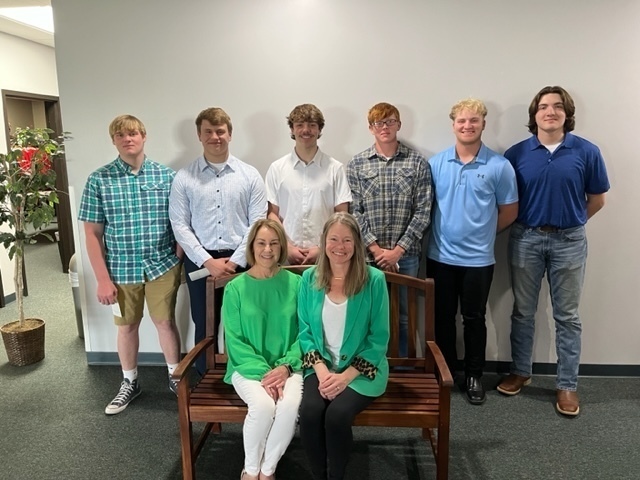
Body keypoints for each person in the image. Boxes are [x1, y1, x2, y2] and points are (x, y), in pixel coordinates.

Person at [497, 86, 609, 416]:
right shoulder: (516, 154)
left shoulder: (586, 151)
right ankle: (520, 371)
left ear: (567, 114)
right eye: (543, 106)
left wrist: (571, 222)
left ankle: (567, 385)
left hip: (569, 242)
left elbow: (597, 200)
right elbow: (507, 201)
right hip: (526, 239)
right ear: (534, 115)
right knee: (523, 311)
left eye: (558, 106)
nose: (550, 112)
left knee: (567, 317)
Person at [79, 114, 182, 414]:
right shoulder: (99, 180)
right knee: (127, 326)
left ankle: (175, 377)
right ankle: (130, 382)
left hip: (162, 265)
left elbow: (180, 220)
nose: (128, 139)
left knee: (165, 322)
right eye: (120, 135)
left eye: (133, 133)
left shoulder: (167, 176)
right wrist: (102, 279)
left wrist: (178, 255)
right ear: (114, 141)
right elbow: (92, 234)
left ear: (143, 136)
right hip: (121, 270)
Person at [427, 99, 518, 405]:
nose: (468, 126)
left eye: (474, 121)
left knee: (474, 319)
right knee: (442, 319)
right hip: (440, 257)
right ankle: (446, 373)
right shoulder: (436, 164)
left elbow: (510, 211)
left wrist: (483, 235)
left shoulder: (499, 166)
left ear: (483, 124)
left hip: (478, 260)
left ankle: (474, 375)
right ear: (453, 125)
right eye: (462, 121)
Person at [169, 107, 266, 375]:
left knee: (245, 321)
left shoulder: (250, 175)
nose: (215, 137)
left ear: (230, 134)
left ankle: (247, 376)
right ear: (199, 135)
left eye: (220, 131)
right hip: (200, 262)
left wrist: (235, 262)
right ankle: (205, 376)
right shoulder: (184, 177)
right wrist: (207, 261)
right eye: (208, 131)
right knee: (204, 323)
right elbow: (179, 225)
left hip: (244, 260)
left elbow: (258, 223)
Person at [298, 212, 390, 480]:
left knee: (336, 415)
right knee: (310, 412)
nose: (340, 246)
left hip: (362, 370)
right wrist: (322, 372)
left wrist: (345, 377)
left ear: (357, 244)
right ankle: (319, 475)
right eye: (334, 239)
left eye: (347, 240)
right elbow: (305, 332)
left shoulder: (374, 280)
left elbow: (378, 339)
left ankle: (336, 475)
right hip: (321, 366)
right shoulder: (309, 279)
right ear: (324, 241)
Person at [347, 102, 432, 357]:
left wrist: (397, 251)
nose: (384, 127)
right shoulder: (357, 164)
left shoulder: (417, 162)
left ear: (399, 124)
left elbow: (423, 210)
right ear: (371, 128)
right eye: (378, 123)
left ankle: (402, 365)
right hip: (367, 257)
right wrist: (375, 249)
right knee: (367, 313)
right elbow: (355, 211)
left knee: (404, 314)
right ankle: (369, 365)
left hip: (406, 257)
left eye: (390, 121)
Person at [222, 219, 303, 480]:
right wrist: (267, 375)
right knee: (263, 405)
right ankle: (251, 470)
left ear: (281, 247)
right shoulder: (235, 288)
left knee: (289, 406)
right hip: (246, 367)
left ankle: (267, 471)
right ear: (252, 247)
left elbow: (305, 334)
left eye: (274, 243)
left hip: (289, 366)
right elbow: (235, 341)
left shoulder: (297, 284)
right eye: (261, 243)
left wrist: (285, 367)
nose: (267, 249)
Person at [265, 103, 352, 265]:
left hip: (326, 256)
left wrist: (322, 247)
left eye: (312, 125)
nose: (306, 130)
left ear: (319, 129)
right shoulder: (277, 168)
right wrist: (287, 247)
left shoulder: (335, 168)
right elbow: (272, 214)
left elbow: (342, 215)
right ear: (292, 129)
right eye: (299, 125)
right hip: (286, 256)